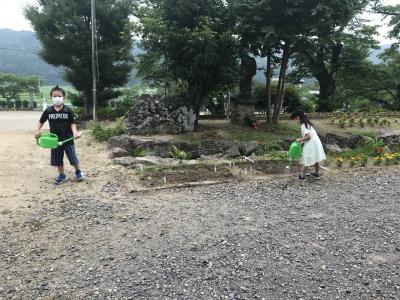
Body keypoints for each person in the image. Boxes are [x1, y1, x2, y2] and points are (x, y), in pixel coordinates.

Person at [34, 85, 84, 184]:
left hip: (68, 139)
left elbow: (72, 123)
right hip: (54, 140)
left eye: (59, 96)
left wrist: (75, 133)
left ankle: (78, 172)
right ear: (51, 97)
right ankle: (62, 175)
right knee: (57, 159)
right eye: (54, 96)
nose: (57, 98)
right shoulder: (48, 110)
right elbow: (40, 122)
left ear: (63, 97)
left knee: (73, 158)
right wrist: (37, 130)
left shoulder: (68, 110)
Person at [291, 110, 326, 180]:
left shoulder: (303, 125)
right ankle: (316, 174)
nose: (294, 121)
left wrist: (299, 139)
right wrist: (302, 142)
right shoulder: (308, 124)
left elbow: (308, 136)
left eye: (294, 119)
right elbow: (309, 137)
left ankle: (302, 176)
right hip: (316, 143)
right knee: (316, 159)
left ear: (298, 117)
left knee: (305, 160)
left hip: (311, 145)